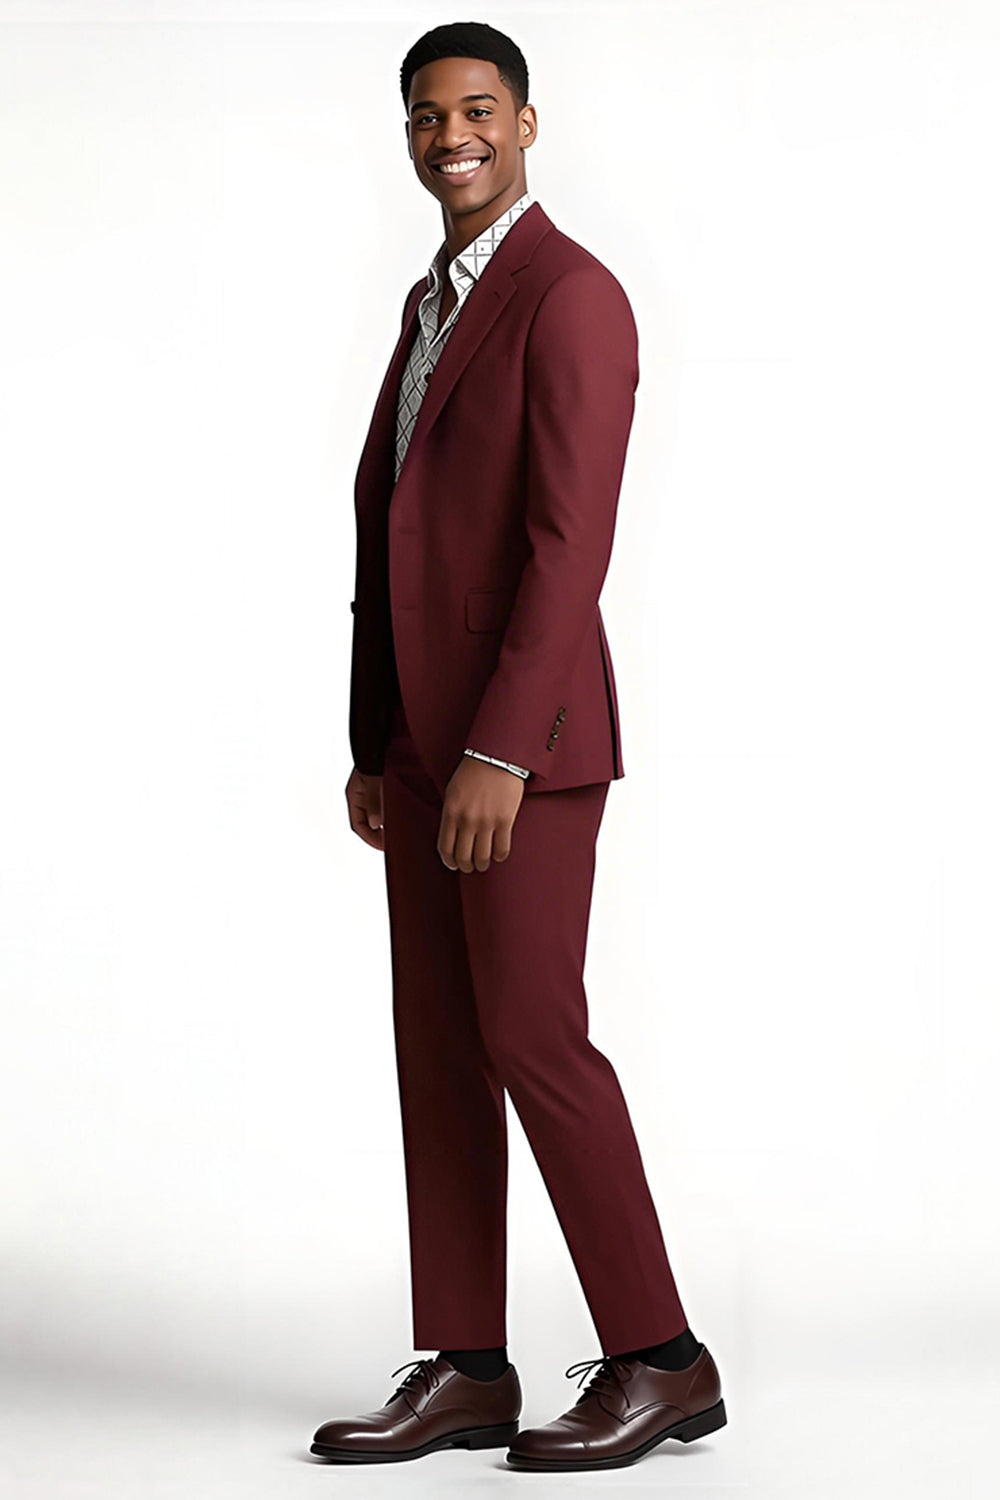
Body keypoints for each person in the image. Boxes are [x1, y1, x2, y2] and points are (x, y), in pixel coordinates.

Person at [310, 21, 727, 1473]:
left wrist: (499, 751)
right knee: (438, 1045)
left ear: (528, 122)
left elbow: (567, 548)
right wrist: (378, 739)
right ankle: (467, 1365)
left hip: (521, 749)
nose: (452, 138)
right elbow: (397, 534)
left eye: (478, 110)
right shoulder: (431, 301)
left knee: (532, 1036)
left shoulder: (572, 294)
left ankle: (662, 1356)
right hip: (420, 744)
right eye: (428, 117)